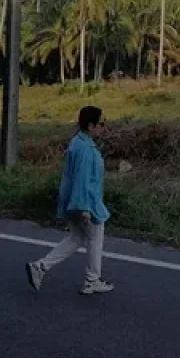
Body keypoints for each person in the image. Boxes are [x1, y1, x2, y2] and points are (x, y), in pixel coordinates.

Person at [26, 106, 114, 295]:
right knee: (95, 237)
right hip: (86, 202)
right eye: (101, 123)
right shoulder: (84, 149)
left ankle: (40, 267)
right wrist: (84, 208)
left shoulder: (79, 142)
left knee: (77, 238)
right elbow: (81, 179)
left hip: (76, 200)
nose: (103, 127)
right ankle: (92, 280)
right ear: (91, 126)